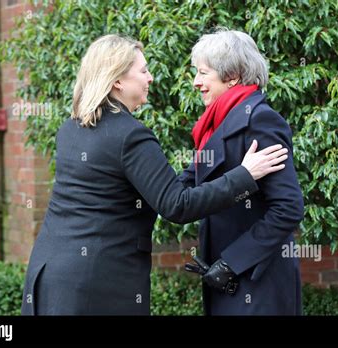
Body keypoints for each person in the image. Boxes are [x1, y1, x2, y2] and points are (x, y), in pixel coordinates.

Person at [20, 34, 289, 315]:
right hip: (96, 284)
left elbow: (160, 187)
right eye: (144, 70)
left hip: (48, 271)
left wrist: (204, 160)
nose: (150, 78)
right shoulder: (130, 136)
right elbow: (177, 204)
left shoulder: (72, 129)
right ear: (118, 81)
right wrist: (245, 176)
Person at [181, 29, 304, 315]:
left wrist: (232, 262)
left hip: (257, 282)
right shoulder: (216, 124)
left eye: (203, 73)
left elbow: (288, 206)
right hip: (229, 281)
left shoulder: (260, 120)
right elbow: (184, 185)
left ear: (232, 75)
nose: (196, 82)